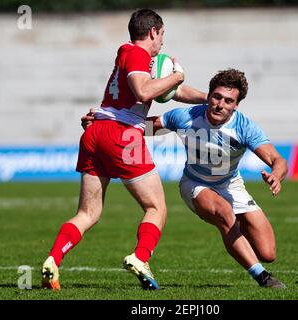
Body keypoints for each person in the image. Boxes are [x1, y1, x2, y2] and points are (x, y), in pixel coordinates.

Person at [41, 8, 206, 291]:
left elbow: (171, 92)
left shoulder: (131, 55)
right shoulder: (139, 54)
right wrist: (177, 76)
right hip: (122, 136)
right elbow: (144, 92)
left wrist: (210, 98)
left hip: (96, 132)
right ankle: (141, 258)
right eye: (162, 34)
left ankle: (53, 260)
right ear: (153, 31)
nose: (163, 41)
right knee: (156, 207)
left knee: (88, 213)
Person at [82, 69, 288, 288]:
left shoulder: (245, 127)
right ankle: (263, 277)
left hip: (231, 185)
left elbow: (278, 160)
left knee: (268, 252)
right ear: (209, 96)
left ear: (236, 105)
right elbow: (143, 128)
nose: (220, 104)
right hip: (195, 184)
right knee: (225, 217)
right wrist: (102, 124)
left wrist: (276, 175)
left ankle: (237, 233)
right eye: (216, 97)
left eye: (228, 101)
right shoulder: (186, 117)